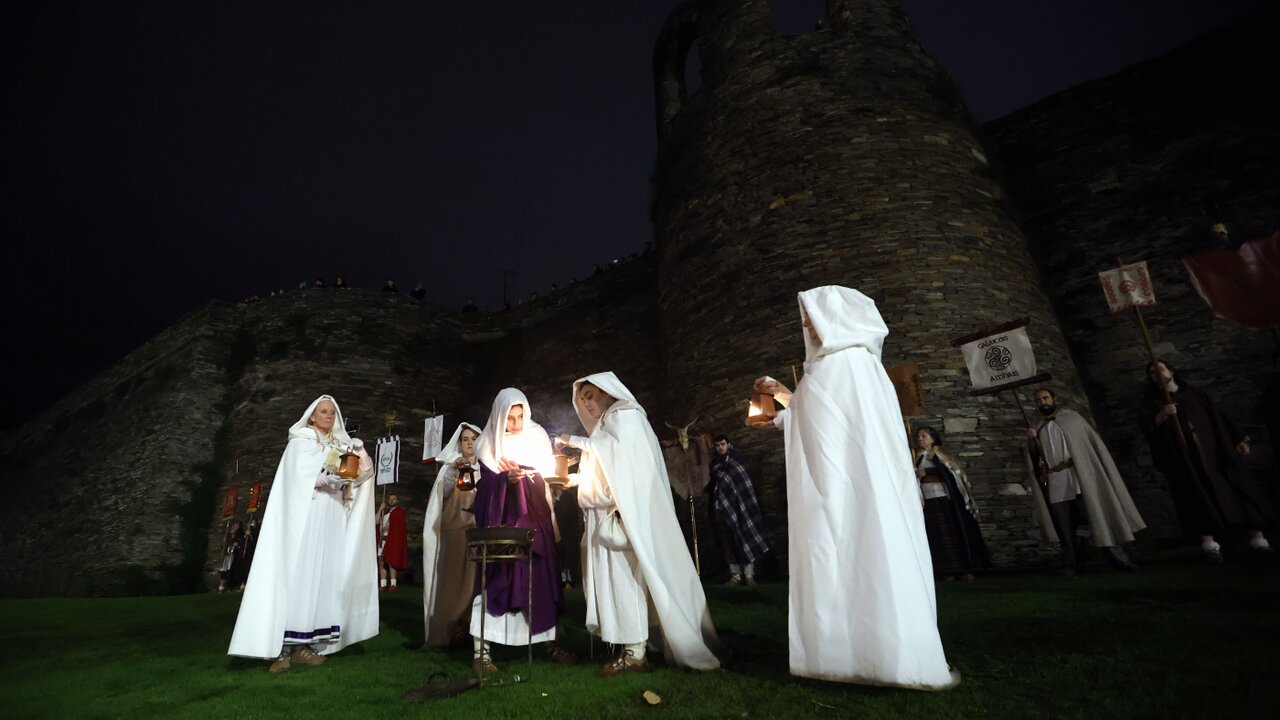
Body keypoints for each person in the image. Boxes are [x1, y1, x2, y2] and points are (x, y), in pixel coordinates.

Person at [753, 285, 958, 690]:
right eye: (806, 319)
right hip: (843, 486)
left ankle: (884, 657)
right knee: (847, 558)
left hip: (853, 487)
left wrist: (783, 402)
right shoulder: (845, 366)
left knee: (866, 556)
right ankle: (852, 655)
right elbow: (818, 416)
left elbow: (826, 421)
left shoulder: (846, 363)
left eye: (812, 317)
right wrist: (781, 401)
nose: (808, 326)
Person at [557, 373, 721, 677]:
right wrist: (576, 480)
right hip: (601, 516)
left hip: (619, 518)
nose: (587, 404)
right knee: (613, 583)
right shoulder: (606, 427)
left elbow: (622, 460)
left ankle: (635, 654)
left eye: (591, 395)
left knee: (625, 581)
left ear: (607, 391)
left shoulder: (625, 416)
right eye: (582, 400)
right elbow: (609, 470)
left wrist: (571, 440)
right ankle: (632, 646)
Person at [228, 395, 379, 673]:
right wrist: (321, 478)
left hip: (331, 516)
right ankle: (283, 649)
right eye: (324, 412)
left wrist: (360, 452)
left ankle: (306, 647)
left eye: (332, 412)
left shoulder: (341, 444)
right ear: (312, 415)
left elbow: (362, 475)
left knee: (322, 576)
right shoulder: (301, 442)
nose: (329, 416)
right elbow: (295, 478)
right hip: (305, 517)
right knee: (299, 575)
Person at [469, 388, 575, 673]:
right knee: (495, 578)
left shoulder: (536, 437)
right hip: (501, 525)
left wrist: (526, 476)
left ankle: (550, 642)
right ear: (499, 415)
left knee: (540, 578)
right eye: (510, 417)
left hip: (534, 521)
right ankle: (482, 651)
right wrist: (505, 480)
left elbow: (545, 478)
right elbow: (483, 489)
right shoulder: (488, 444)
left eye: (520, 417)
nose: (515, 424)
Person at [1140, 361, 1275, 561]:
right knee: (1198, 497)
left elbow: (1218, 417)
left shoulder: (1195, 394)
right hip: (1186, 460)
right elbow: (1148, 427)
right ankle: (1210, 546)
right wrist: (1162, 415)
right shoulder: (1152, 403)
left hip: (1214, 453)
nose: (1156, 373)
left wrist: (1237, 439)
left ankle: (1258, 540)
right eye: (1152, 372)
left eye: (1160, 368)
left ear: (1171, 371)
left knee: (1238, 489)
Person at [1025, 388, 1145, 573]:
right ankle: (1071, 563)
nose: (1043, 402)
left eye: (1045, 398)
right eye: (1038, 400)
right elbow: (1034, 457)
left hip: (1079, 477)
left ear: (1054, 399)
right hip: (1056, 480)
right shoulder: (1036, 426)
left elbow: (1087, 447)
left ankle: (1118, 558)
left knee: (1098, 517)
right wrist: (1031, 440)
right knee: (1064, 525)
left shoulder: (1072, 418)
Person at [422, 422, 481, 647]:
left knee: (475, 581)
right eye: (465, 439)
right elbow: (443, 493)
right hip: (456, 528)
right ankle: (451, 626)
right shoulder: (451, 467)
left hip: (478, 529)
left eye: (474, 439)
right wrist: (454, 470)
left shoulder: (485, 467)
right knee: (454, 581)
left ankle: (471, 626)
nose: (470, 443)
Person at [914, 427, 989, 581]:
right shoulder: (919, 457)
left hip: (945, 499)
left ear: (933, 438)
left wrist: (928, 473)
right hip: (929, 500)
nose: (920, 439)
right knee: (938, 534)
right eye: (919, 436)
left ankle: (964, 568)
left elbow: (951, 473)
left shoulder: (941, 454)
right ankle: (945, 570)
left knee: (953, 531)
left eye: (924, 436)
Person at [708, 435, 769, 585]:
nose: (720, 447)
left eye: (722, 444)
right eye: (717, 445)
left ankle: (749, 576)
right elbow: (716, 487)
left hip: (742, 507)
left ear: (728, 444)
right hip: (723, 509)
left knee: (746, 537)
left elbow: (744, 484)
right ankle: (735, 576)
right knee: (728, 542)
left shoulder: (738, 461)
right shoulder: (715, 465)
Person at [377, 494, 409, 592]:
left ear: (397, 501)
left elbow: (399, 528)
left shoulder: (399, 513)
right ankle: (383, 585)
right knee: (381, 562)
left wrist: (390, 528)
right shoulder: (385, 512)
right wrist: (380, 509)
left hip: (392, 540)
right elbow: (376, 522)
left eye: (394, 499)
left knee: (391, 561)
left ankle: (393, 584)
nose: (391, 500)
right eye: (390, 499)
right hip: (382, 540)